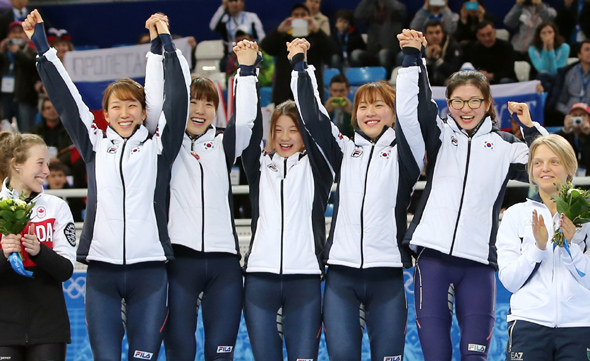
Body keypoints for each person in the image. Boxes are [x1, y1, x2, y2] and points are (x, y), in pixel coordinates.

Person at [23, 10, 190, 360]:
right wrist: (43, 47)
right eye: (116, 106)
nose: (125, 113)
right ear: (105, 113)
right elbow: (67, 102)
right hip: (101, 273)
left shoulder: (159, 147)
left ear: (144, 112)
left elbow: (178, 99)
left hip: (150, 271)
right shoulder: (95, 144)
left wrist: (164, 43)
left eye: (133, 105)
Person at [396, 28, 548, 361]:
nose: (466, 108)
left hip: (479, 262)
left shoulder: (506, 146)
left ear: (487, 103)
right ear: (448, 104)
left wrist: (529, 127)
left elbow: (548, 165)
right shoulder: (439, 133)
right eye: (458, 101)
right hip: (433, 258)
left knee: (474, 356)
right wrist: (411, 57)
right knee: (436, 356)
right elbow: (410, 108)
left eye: (474, 100)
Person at [292, 35, 424, 360]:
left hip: (388, 275)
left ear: (393, 114)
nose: (370, 111)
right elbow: (311, 116)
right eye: (363, 105)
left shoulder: (406, 153)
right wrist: (299, 64)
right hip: (341, 275)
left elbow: (413, 111)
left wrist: (410, 59)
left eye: (380, 105)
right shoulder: (346, 149)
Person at [143, 39, 256, 360]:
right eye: (194, 102)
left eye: (209, 104)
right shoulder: (165, 143)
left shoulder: (224, 145)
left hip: (225, 265)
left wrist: (246, 71)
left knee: (220, 354)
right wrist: (162, 49)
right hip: (179, 262)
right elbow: (157, 104)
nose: (200, 110)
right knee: (180, 350)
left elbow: (246, 121)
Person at [238, 38, 334, 361]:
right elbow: (247, 126)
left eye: (293, 130)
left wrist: (299, 66)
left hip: (305, 280)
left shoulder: (319, 168)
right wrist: (247, 71)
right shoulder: (259, 167)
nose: (284, 137)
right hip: (259, 281)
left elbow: (317, 120)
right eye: (278, 130)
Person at [497, 134, 590, 360]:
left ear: (569, 167)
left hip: (579, 325)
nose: (545, 169)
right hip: (528, 324)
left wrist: (570, 248)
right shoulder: (514, 215)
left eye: (554, 161)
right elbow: (509, 281)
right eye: (538, 162)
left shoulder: (585, 216)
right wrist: (537, 248)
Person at [0, 132, 76, 361]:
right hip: (3, 330)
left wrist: (40, 251)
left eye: (48, 164)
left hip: (48, 329)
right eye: (40, 163)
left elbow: (66, 270)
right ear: (17, 165)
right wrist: (4, 255)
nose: (46, 171)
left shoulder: (57, 208)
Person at [260, 3, 333, 105]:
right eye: (296, 15)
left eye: (303, 15)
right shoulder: (283, 37)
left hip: (310, 90)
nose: (299, 18)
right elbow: (266, 47)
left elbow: (330, 50)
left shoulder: (316, 38)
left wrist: (317, 30)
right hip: (284, 92)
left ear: (309, 17)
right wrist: (278, 31)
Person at [0, 20, 38, 132]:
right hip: (4, 98)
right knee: (4, 132)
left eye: (20, 32)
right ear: (8, 35)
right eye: (13, 32)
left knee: (26, 132)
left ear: (26, 35)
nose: (16, 35)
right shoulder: (3, 53)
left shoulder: (32, 52)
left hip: (24, 99)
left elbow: (32, 65)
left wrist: (17, 53)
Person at [354, 0, 407, 74]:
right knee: (355, 54)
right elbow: (358, 15)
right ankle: (362, 79)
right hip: (372, 51)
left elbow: (400, 9)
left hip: (391, 52)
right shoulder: (372, 8)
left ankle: (386, 81)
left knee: (383, 54)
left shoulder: (395, 9)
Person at [210, 0, 265, 71]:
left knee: (261, 62)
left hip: (250, 51)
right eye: (230, 1)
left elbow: (262, 38)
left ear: (242, 3)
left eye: (236, 1)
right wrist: (223, 7)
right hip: (231, 54)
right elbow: (213, 26)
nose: (234, 4)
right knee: (224, 64)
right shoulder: (225, 19)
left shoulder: (251, 17)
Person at [550, 40, 590, 121]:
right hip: (568, 115)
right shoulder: (569, 73)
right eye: (587, 49)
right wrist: (570, 113)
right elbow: (559, 101)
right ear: (579, 55)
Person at [528, 21, 570, 91]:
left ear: (555, 34)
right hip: (541, 79)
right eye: (543, 33)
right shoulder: (533, 49)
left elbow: (555, 71)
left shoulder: (564, 47)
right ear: (539, 35)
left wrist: (551, 49)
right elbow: (542, 69)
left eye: (550, 32)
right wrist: (545, 48)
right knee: (543, 77)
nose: (547, 35)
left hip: (558, 79)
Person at [422, 20, 463, 86]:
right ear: (425, 35)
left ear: (443, 34)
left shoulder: (453, 46)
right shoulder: (420, 47)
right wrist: (428, 59)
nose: (434, 36)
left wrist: (437, 59)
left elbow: (455, 71)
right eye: (430, 33)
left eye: (437, 32)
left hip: (448, 82)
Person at [556, 102, 590, 175]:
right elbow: (551, 143)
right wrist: (565, 130)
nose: (578, 119)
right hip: (569, 178)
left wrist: (588, 133)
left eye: (582, 116)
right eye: (575, 115)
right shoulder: (564, 135)